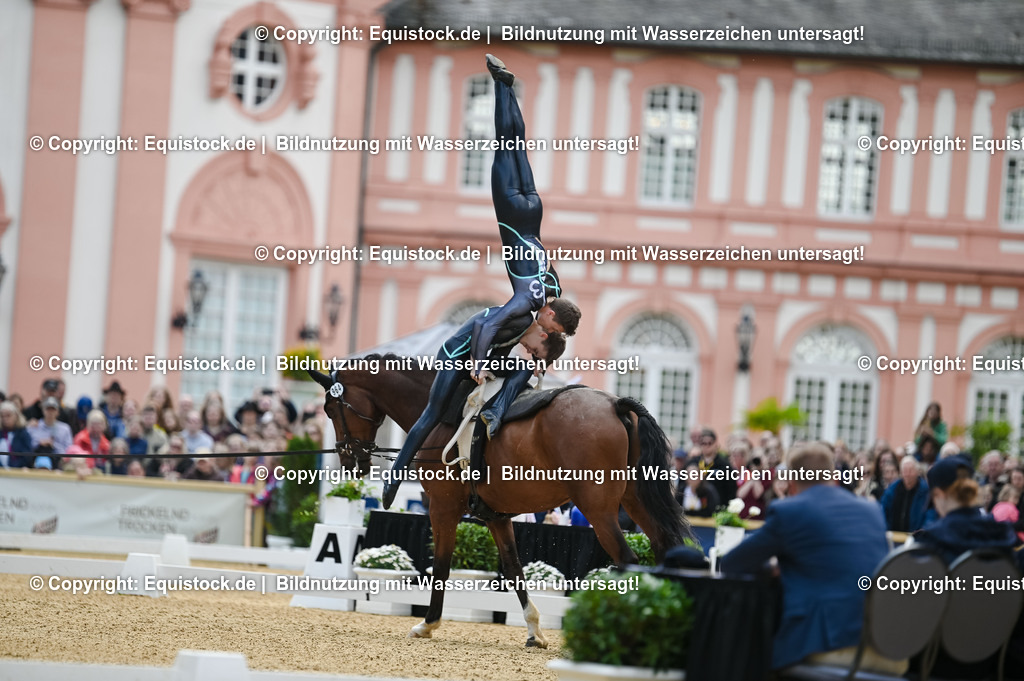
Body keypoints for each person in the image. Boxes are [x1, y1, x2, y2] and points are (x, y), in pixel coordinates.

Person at [472, 54, 581, 439]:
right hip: (513, 209)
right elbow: (490, 325)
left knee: (517, 142)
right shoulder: (528, 298)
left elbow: (557, 309)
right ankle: (501, 84)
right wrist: (478, 362)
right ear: (549, 318)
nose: (544, 326)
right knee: (506, 142)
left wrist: (543, 357)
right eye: (550, 327)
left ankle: (507, 86)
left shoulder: (552, 287)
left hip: (534, 208)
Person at [720, 442, 890, 671]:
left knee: (750, 656)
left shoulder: (790, 511)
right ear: (834, 478)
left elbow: (733, 562)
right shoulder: (872, 511)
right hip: (887, 643)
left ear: (790, 485)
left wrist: (773, 569)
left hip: (827, 643)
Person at [381, 309, 566, 509]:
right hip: (455, 356)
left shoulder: (519, 336)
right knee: (431, 415)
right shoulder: (521, 319)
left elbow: (498, 357)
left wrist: (538, 364)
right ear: (542, 334)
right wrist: (478, 363)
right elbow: (481, 327)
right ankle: (394, 477)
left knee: (524, 367)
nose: (530, 352)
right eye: (535, 351)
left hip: (475, 360)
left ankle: (495, 409)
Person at [880, 456, 930, 532]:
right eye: (905, 471)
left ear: (917, 472)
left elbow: (930, 515)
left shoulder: (925, 491)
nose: (907, 474)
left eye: (911, 470)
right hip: (893, 535)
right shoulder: (892, 490)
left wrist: (924, 530)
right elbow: (883, 510)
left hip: (916, 537)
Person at [688, 428, 737, 505]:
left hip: (718, 508)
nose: (707, 446)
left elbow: (731, 490)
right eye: (704, 443)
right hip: (695, 508)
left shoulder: (724, 465)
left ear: (715, 444)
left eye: (710, 443)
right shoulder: (693, 463)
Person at [0, 401, 35, 468]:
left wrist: (13, 467)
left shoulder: (23, 434)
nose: (5, 419)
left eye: (8, 415)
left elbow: (27, 456)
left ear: (16, 416)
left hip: (18, 472)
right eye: (2, 416)